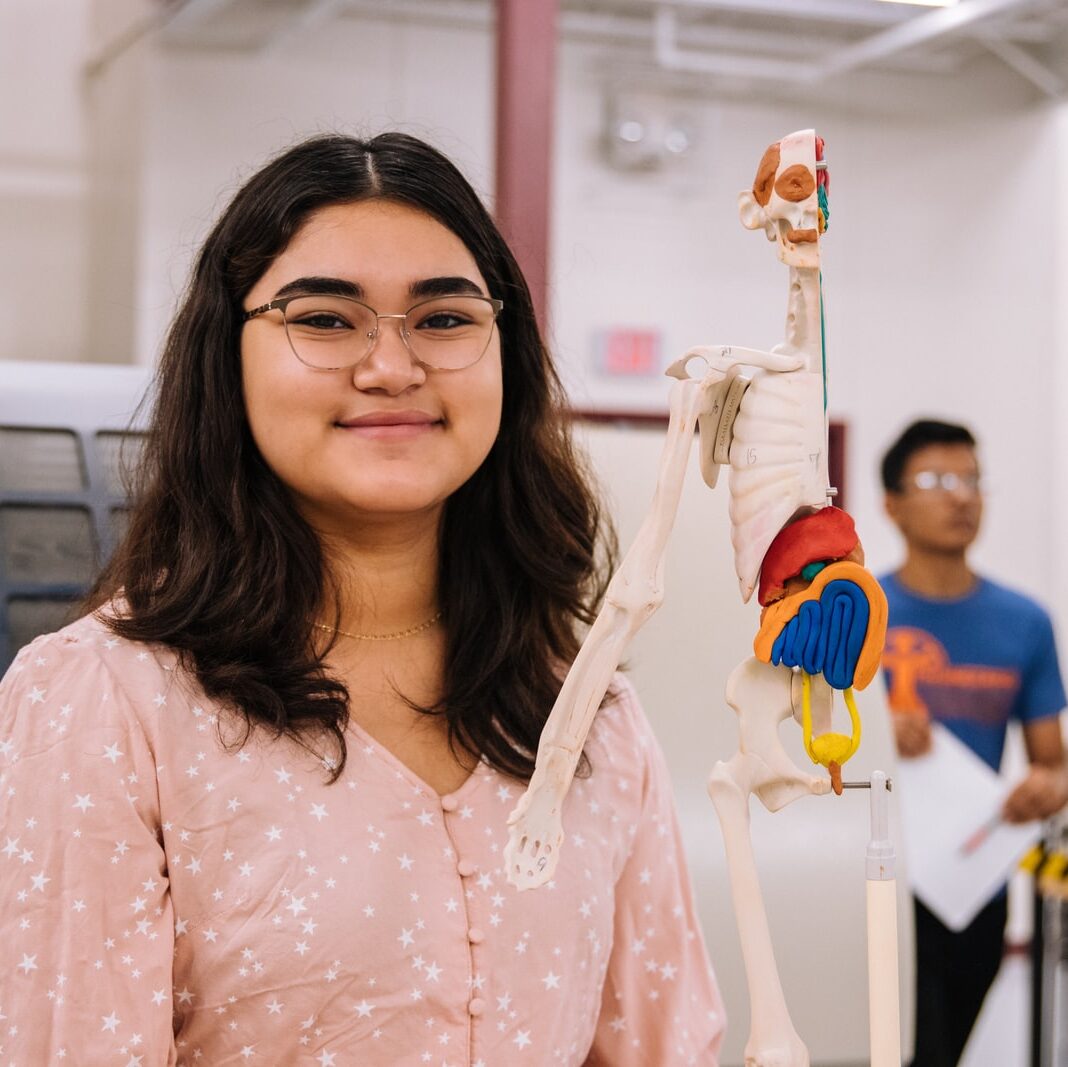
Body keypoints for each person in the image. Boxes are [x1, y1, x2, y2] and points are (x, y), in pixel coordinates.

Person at [0, 133, 725, 1065]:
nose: (392, 366)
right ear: (230, 356)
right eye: (328, 320)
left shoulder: (587, 715)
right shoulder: (102, 705)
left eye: (444, 319)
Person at [879, 418, 1068, 1067]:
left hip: (974, 884)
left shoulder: (1024, 621)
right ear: (892, 504)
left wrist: (1047, 786)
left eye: (972, 479)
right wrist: (877, 736)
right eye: (936, 480)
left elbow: (1055, 764)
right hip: (872, 883)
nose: (961, 496)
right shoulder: (855, 613)